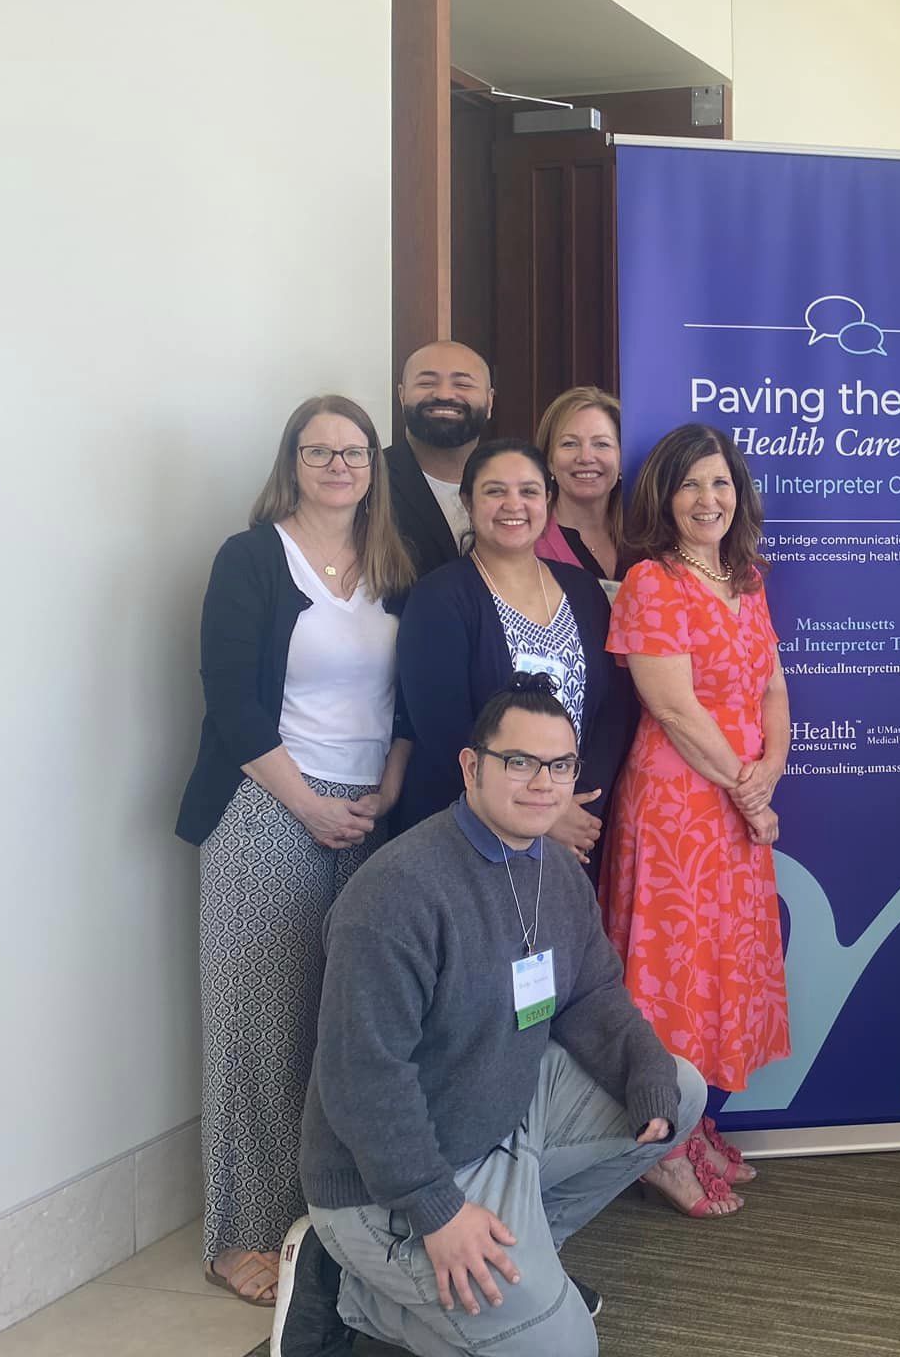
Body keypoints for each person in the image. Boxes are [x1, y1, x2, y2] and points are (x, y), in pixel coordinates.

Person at [274, 678, 711, 1357]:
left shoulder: (555, 873)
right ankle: (346, 1289)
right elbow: (364, 1079)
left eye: (560, 765)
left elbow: (593, 993)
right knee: (564, 1350)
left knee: (676, 1089)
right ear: (472, 766)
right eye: (520, 762)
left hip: (501, 1117)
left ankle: (529, 1254)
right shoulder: (397, 893)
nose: (543, 783)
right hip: (389, 1183)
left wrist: (644, 1068)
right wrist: (437, 1212)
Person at [175, 395, 417, 1308]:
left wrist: (389, 787)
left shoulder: (395, 563)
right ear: (293, 461)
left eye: (354, 451)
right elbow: (231, 700)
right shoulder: (250, 559)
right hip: (268, 805)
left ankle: (324, 1221)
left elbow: (417, 691)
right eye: (319, 451)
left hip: (372, 812)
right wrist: (312, 805)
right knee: (261, 1026)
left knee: (349, 1028)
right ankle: (239, 1235)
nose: (339, 466)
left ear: (372, 465)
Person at [598, 423, 789, 1209]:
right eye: (689, 486)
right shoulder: (652, 581)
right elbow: (673, 708)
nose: (707, 500)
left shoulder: (745, 577)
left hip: (740, 803)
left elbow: (774, 685)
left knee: (717, 969)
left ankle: (693, 1120)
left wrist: (769, 772)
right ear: (664, 498)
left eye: (720, 483)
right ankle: (657, 1146)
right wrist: (750, 788)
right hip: (678, 807)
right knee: (671, 971)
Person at [393, 439, 632, 874]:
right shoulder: (439, 596)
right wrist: (543, 811)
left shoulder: (582, 590)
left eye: (528, 491)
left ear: (548, 500)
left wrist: (574, 802)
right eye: (494, 491)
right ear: (467, 502)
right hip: (468, 835)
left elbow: (613, 708)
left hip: (572, 834)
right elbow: (442, 727)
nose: (512, 504)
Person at [385, 340, 496, 576]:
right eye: (426, 383)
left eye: (463, 384)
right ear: (402, 395)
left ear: (490, 402)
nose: (444, 394)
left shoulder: (517, 485)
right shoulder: (368, 480)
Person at [534, 385, 631, 589]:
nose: (586, 457)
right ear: (549, 460)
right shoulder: (530, 543)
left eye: (601, 444)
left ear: (622, 460)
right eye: (569, 444)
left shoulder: (645, 540)